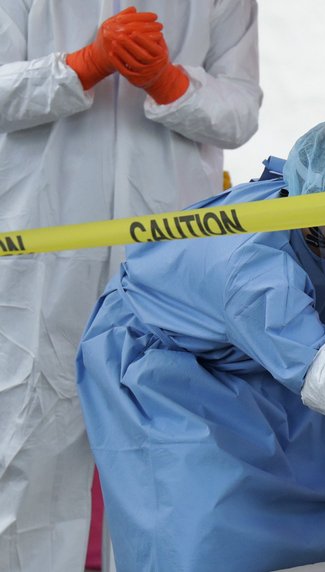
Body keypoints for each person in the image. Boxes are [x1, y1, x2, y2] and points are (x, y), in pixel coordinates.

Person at [75, 117, 325, 572]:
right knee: (201, 528)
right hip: (168, 367)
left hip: (272, 354)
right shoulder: (254, 268)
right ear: (310, 202)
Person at [0, 3, 261, 571]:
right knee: (29, 451)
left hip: (170, 263)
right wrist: (80, 66)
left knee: (172, 457)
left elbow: (241, 110)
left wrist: (170, 83)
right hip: (46, 253)